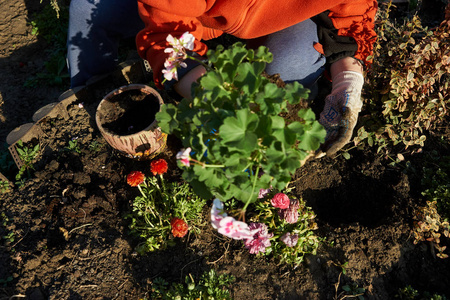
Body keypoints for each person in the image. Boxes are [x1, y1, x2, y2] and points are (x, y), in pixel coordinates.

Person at [67, 0, 377, 156]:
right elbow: (168, 33)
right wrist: (210, 97)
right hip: (189, 13)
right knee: (90, 9)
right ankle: (97, 100)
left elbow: (349, 15)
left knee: (294, 63)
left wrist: (348, 78)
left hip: (271, 17)